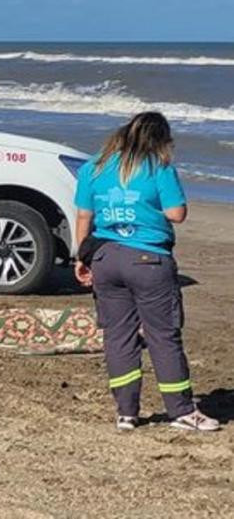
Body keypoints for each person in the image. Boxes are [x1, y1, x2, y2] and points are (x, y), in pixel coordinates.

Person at [74, 111, 218, 432]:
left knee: (117, 336)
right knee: (163, 335)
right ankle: (181, 410)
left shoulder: (95, 167)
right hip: (149, 259)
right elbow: (176, 213)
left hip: (105, 257)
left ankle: (126, 412)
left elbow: (84, 216)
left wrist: (80, 259)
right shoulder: (158, 166)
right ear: (160, 140)